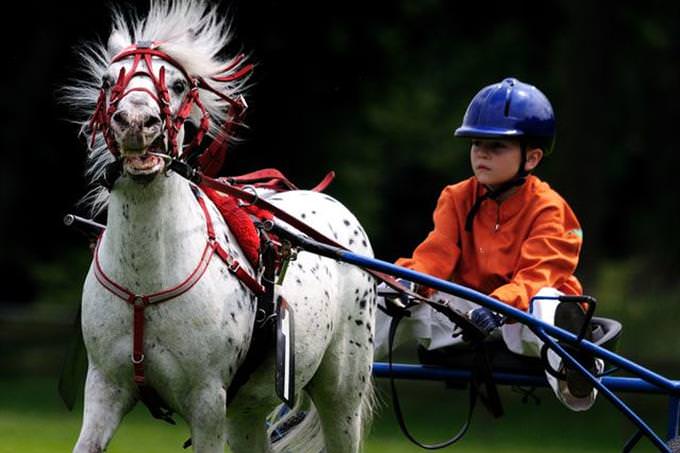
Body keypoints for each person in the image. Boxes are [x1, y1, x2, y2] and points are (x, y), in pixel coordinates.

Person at [375, 77, 602, 411]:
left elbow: (538, 275)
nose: (482, 152)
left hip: (524, 321)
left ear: (532, 157)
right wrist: (407, 283)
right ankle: (339, 370)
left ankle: (576, 376)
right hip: (469, 316)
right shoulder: (456, 197)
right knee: (388, 291)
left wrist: (498, 307)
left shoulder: (549, 207)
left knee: (547, 300)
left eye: (497, 146)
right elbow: (435, 257)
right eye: (476, 143)